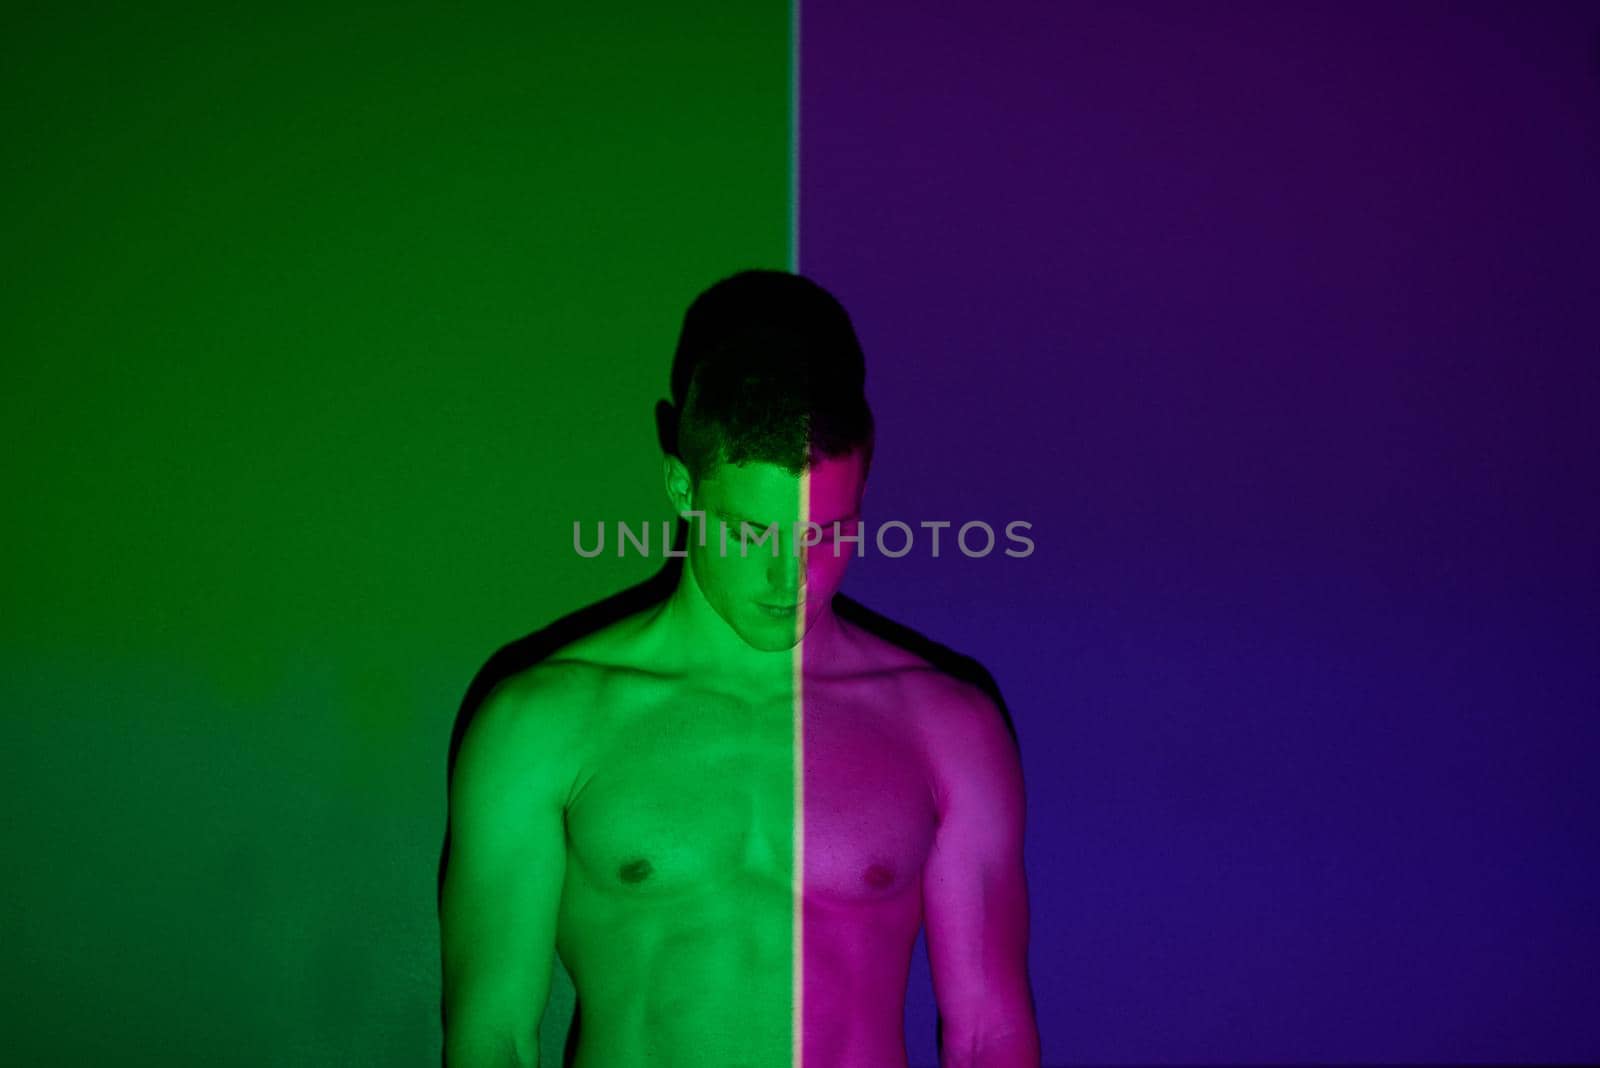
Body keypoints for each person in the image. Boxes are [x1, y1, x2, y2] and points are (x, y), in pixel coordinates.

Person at [439, 271, 1038, 1067]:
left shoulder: (948, 723)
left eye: (827, 534)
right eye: (753, 534)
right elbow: (494, 1036)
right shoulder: (543, 719)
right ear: (683, 485)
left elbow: (988, 1032)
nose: (792, 582)